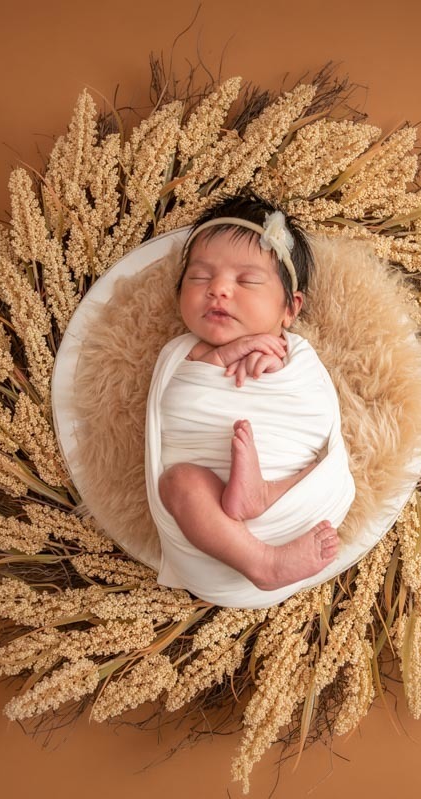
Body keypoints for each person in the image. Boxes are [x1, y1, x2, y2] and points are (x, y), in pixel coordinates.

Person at [143, 193, 355, 604]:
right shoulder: (180, 354)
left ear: (289, 310)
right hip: (211, 533)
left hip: (297, 513)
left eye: (247, 281)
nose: (218, 289)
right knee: (180, 483)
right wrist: (217, 357)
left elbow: (312, 408)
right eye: (200, 278)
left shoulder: (298, 356)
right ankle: (262, 562)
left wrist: (277, 365)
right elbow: (177, 400)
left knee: (328, 468)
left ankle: (267, 493)